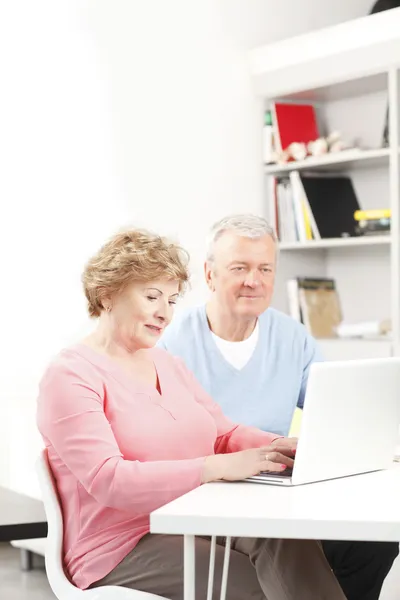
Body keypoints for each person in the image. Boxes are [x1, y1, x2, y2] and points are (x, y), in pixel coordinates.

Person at [36, 228, 346, 600]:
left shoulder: (167, 363)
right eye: (151, 296)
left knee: (286, 538)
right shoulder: (71, 374)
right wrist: (213, 468)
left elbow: (223, 434)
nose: (164, 313)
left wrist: (282, 446)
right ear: (107, 295)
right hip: (119, 545)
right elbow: (108, 479)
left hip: (192, 514)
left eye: (171, 299)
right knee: (253, 586)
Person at [158, 214, 399, 600]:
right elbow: (164, 446)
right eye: (239, 268)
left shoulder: (292, 337)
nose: (253, 280)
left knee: (374, 538)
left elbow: (335, 412)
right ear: (209, 274)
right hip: (210, 496)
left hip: (282, 493)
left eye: (264, 268)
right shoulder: (171, 342)